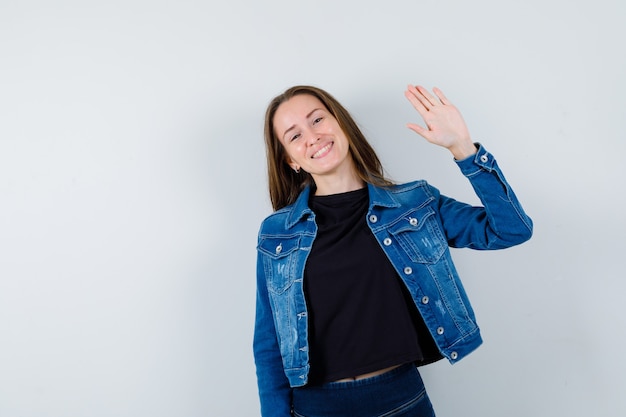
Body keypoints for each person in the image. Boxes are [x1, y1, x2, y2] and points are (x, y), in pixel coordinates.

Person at [253, 84, 533, 417]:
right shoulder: (277, 233)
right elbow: (269, 342)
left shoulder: (415, 204)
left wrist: (463, 148)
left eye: (317, 120)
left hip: (401, 401)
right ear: (290, 159)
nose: (312, 136)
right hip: (316, 408)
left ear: (341, 123)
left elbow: (511, 230)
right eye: (294, 136)